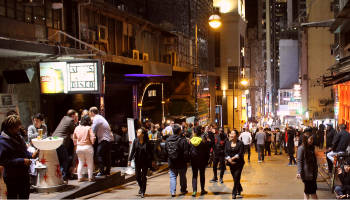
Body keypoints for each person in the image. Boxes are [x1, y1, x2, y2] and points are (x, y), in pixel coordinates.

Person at [0, 115, 38, 199]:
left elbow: (22, 152)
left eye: (19, 126)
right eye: (16, 127)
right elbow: (3, 161)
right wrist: (22, 161)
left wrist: (30, 155)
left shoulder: (18, 137)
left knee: (24, 196)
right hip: (12, 176)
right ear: (9, 128)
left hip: (23, 174)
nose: (18, 129)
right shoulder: (3, 142)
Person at [128, 128, 155, 198]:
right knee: (137, 177)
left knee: (143, 176)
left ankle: (143, 191)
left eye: (139, 133)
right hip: (137, 161)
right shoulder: (135, 141)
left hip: (145, 161)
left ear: (143, 135)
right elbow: (133, 151)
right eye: (137, 132)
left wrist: (153, 160)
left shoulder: (147, 142)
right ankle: (141, 187)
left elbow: (151, 152)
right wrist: (129, 160)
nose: (138, 134)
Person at [52, 109, 78, 183]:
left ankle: (59, 175)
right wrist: (75, 123)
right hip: (61, 141)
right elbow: (74, 131)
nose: (76, 117)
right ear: (72, 115)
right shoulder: (70, 120)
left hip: (56, 140)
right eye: (75, 116)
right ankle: (62, 176)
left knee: (60, 159)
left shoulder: (64, 118)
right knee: (66, 158)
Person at [164, 123, 190, 197]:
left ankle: (173, 191)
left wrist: (167, 160)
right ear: (179, 131)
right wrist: (187, 161)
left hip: (171, 161)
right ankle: (183, 189)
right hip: (181, 161)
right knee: (182, 176)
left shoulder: (168, 140)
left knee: (172, 176)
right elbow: (186, 152)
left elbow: (165, 151)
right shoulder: (182, 140)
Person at [89, 107, 114, 176]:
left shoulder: (96, 118)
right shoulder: (100, 117)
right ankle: (107, 171)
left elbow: (93, 130)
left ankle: (101, 171)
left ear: (92, 112)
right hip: (109, 139)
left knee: (99, 154)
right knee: (107, 155)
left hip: (104, 139)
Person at [73, 115, 96, 182]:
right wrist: (92, 142)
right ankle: (90, 177)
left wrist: (76, 144)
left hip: (79, 147)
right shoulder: (89, 128)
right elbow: (93, 137)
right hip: (88, 147)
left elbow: (74, 138)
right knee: (89, 163)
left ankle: (79, 177)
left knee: (80, 162)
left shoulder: (77, 128)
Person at [296, 132, 318, 200]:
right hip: (307, 174)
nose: (312, 141)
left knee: (307, 191)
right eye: (310, 139)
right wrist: (299, 172)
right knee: (312, 192)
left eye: (312, 139)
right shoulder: (301, 148)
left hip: (313, 173)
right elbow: (299, 161)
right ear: (306, 140)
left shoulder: (311, 148)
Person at [189, 126, 208, 197]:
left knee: (194, 175)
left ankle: (194, 191)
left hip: (194, 160)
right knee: (202, 175)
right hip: (202, 160)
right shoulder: (203, 140)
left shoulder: (190, 140)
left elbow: (188, 151)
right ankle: (202, 190)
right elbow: (207, 151)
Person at [225, 130, 245, 199]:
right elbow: (226, 152)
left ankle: (234, 193)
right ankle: (239, 188)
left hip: (239, 163)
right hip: (231, 163)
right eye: (231, 133)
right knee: (234, 177)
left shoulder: (240, 143)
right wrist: (229, 159)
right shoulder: (227, 143)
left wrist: (232, 158)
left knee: (236, 177)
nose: (231, 135)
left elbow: (240, 153)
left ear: (236, 135)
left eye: (233, 133)